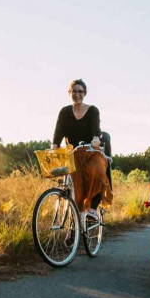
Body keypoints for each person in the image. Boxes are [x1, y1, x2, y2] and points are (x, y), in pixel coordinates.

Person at [52, 78, 111, 212]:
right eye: (74, 91)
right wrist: (55, 145)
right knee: (75, 187)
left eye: (80, 91)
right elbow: (58, 131)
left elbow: (96, 128)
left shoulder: (93, 111)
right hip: (73, 154)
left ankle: (92, 209)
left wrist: (96, 138)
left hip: (92, 151)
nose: (77, 94)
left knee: (96, 172)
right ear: (69, 92)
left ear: (84, 93)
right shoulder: (64, 112)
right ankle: (76, 224)